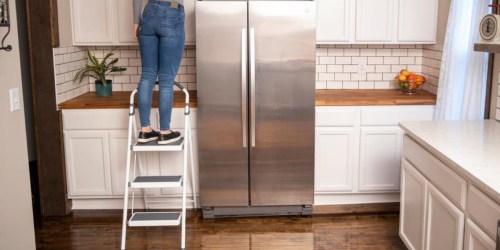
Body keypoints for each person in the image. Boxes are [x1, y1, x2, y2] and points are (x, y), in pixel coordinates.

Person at [133, 0, 185, 144]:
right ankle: (165, 132)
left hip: (148, 14)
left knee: (147, 75)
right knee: (166, 79)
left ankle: (145, 130)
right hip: (171, 11)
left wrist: (136, 22)